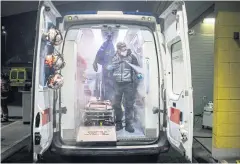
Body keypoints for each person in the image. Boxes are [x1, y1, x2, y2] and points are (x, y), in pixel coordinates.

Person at [107, 42, 142, 133]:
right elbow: (107, 67)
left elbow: (137, 68)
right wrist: (112, 66)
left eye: (125, 49)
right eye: (122, 49)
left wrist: (139, 75)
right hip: (117, 84)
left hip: (128, 84)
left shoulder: (132, 57)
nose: (124, 51)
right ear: (118, 50)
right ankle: (118, 123)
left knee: (129, 104)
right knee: (116, 104)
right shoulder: (113, 57)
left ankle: (128, 124)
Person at [93, 34, 115, 101]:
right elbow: (99, 53)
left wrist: (95, 62)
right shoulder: (106, 45)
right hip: (106, 68)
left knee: (109, 85)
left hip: (109, 68)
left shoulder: (110, 46)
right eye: (109, 37)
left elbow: (99, 53)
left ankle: (109, 100)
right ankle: (106, 99)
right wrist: (95, 62)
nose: (110, 38)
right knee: (106, 84)